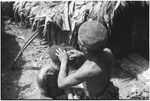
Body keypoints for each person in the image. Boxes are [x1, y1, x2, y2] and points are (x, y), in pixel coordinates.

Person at [55, 20, 119, 99]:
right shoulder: (108, 52)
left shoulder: (87, 70)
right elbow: (97, 60)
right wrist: (83, 55)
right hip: (108, 91)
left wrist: (64, 61)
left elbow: (61, 83)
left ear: (82, 46)